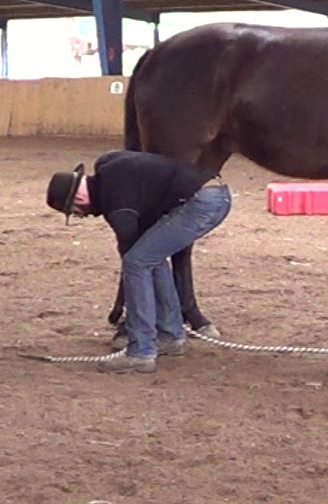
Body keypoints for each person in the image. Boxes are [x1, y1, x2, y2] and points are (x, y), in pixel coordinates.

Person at [46, 150, 231, 374]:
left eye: (76, 212)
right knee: (150, 257)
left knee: (137, 262)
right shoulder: (108, 165)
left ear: (79, 198)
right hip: (212, 193)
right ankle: (170, 335)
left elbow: (129, 250)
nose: (83, 215)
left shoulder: (117, 206)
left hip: (201, 204)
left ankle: (140, 351)